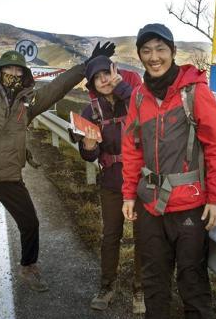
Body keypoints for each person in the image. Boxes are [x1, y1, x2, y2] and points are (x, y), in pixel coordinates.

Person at [0, 0, 116, 299]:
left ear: (24, 75)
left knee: (30, 223)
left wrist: (86, 66)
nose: (13, 74)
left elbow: (56, 88)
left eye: (18, 70)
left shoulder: (28, 105)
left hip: (11, 178)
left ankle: (29, 267)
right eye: (8, 69)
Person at [121, 23, 216, 319]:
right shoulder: (139, 97)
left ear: (172, 52)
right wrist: (129, 194)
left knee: (193, 286)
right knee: (154, 284)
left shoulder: (194, 92)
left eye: (160, 49)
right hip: (149, 206)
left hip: (190, 206)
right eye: (146, 51)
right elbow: (131, 149)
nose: (153, 57)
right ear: (140, 56)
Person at [77, 55, 145, 313]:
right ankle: (107, 286)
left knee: (143, 237)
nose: (103, 80)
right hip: (113, 181)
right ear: (92, 83)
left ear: (117, 72)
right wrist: (88, 146)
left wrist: (123, 88)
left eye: (107, 73)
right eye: (97, 77)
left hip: (141, 180)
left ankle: (140, 289)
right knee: (110, 235)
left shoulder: (134, 98)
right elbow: (89, 156)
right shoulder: (90, 111)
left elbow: (150, 111)